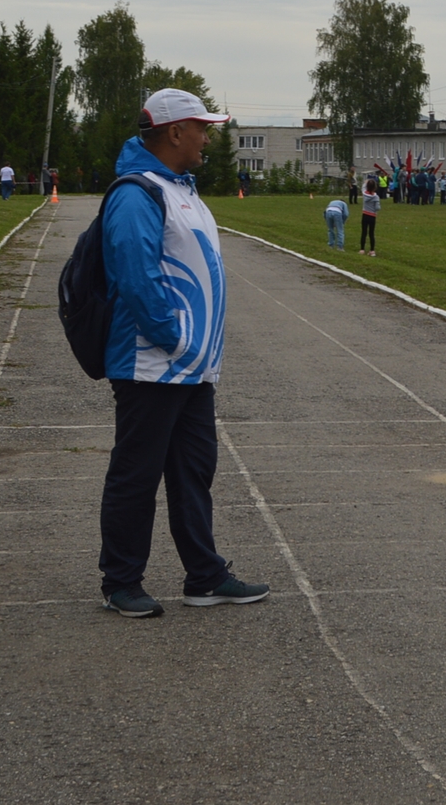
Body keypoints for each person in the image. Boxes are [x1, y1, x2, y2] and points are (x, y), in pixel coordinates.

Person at [98, 88, 268, 618]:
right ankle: (121, 581)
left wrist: (196, 351)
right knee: (137, 473)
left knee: (194, 470)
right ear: (174, 132)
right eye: (202, 127)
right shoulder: (137, 192)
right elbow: (135, 275)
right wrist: (174, 338)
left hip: (191, 368)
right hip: (152, 365)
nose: (208, 136)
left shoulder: (180, 188)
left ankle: (205, 576)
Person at [359, 178, 381, 255]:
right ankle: (372, 250)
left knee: (364, 232)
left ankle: (362, 249)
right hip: (372, 216)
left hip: (365, 214)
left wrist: (365, 182)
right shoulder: (376, 197)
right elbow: (378, 208)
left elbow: (363, 187)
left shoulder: (364, 194)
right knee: (371, 233)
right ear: (375, 187)